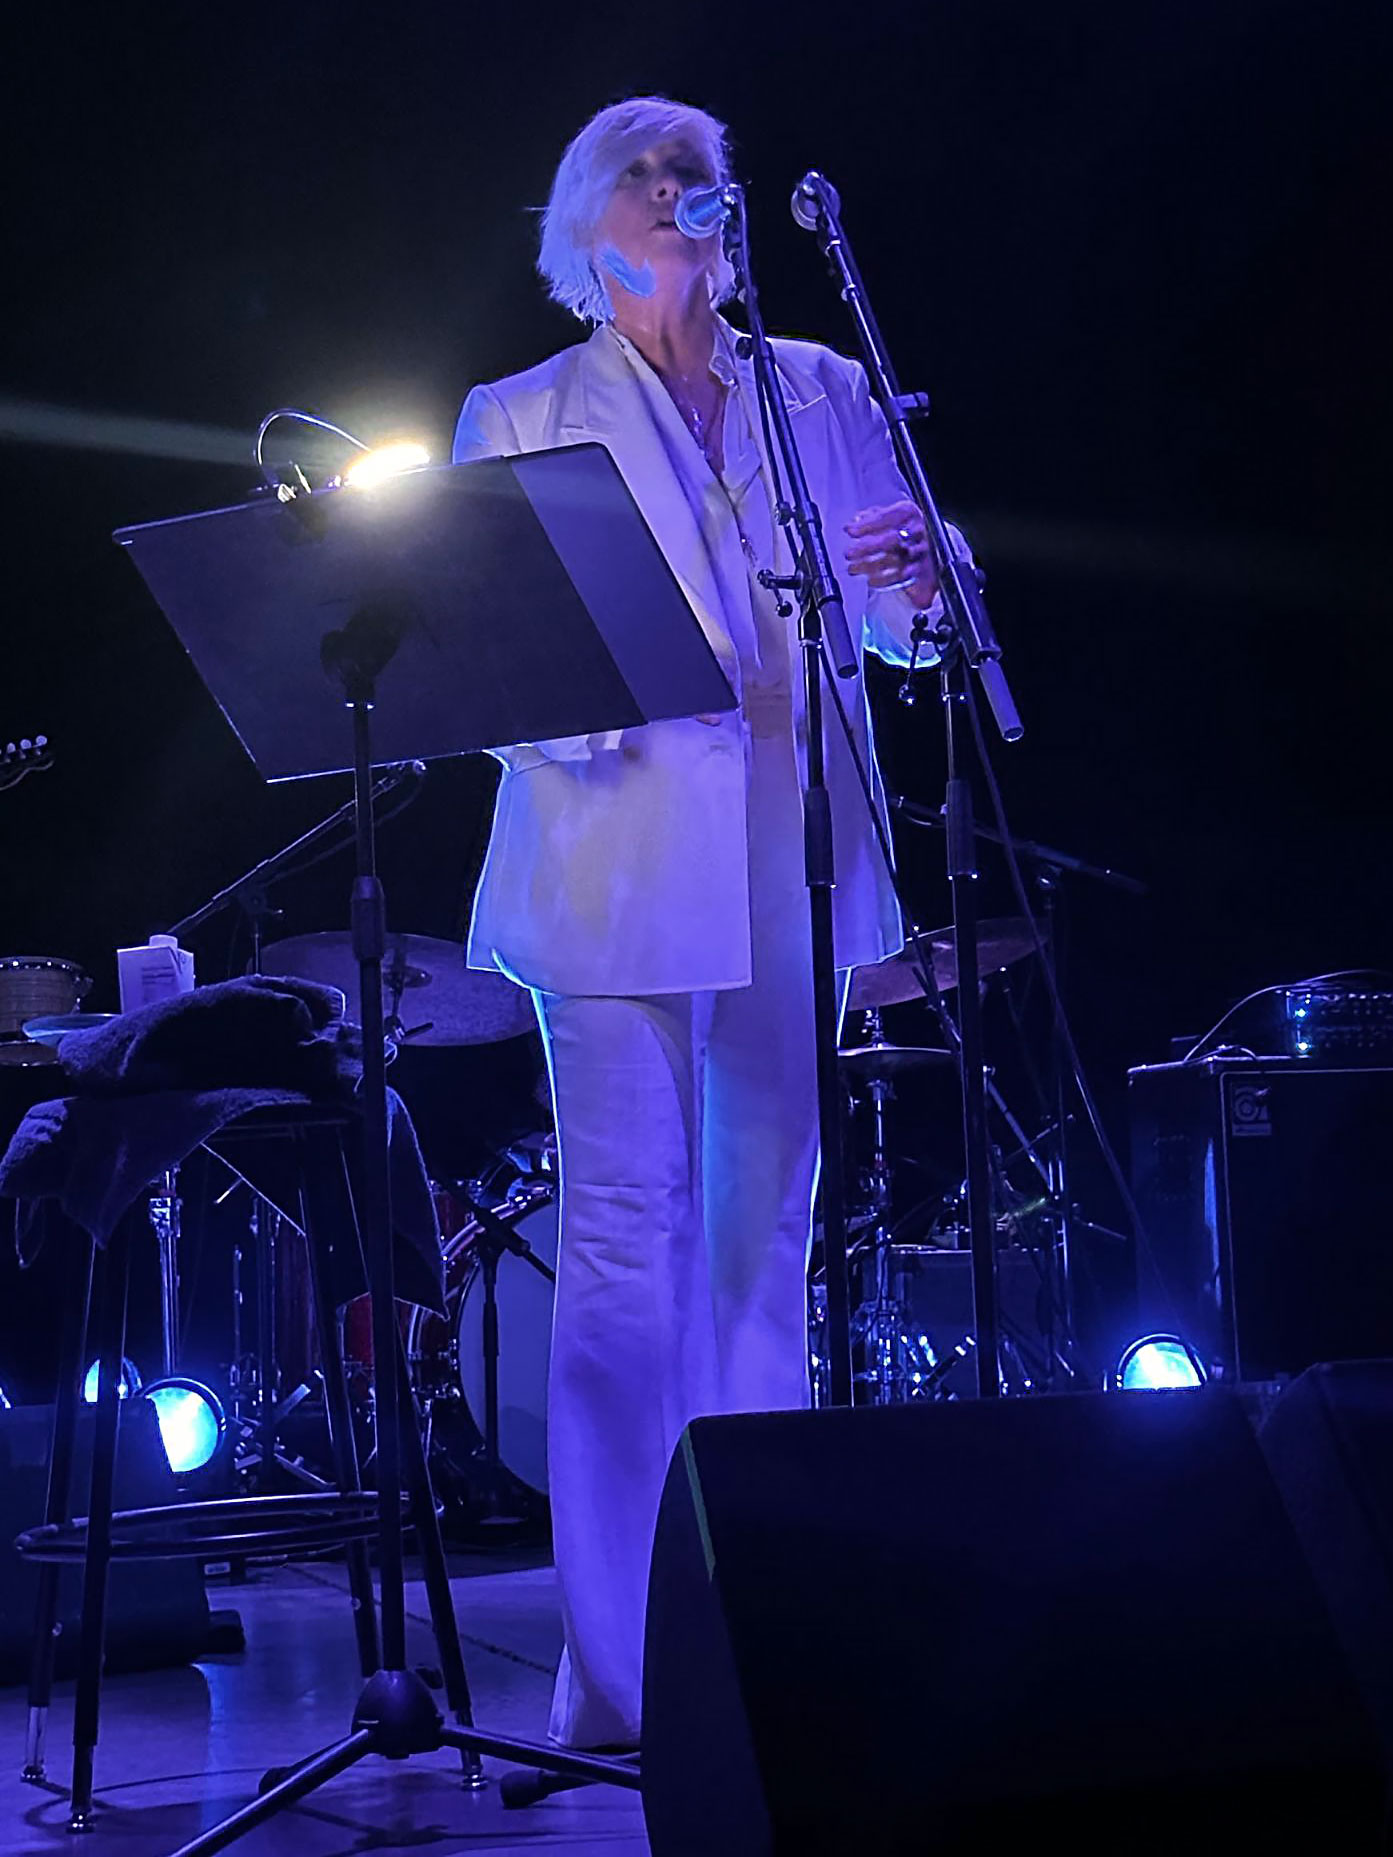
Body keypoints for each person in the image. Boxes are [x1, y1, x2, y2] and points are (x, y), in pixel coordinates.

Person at [453, 95, 969, 1749]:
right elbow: (481, 659)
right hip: (606, 877)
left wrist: (916, 578)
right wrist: (598, 689)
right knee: (621, 1252)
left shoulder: (814, 383)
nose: (681, 191)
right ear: (582, 222)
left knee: (770, 1238)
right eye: (643, 171)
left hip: (784, 860)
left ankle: (757, 1621)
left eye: (697, 168)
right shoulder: (521, 409)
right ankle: (620, 1664)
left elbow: (903, 628)